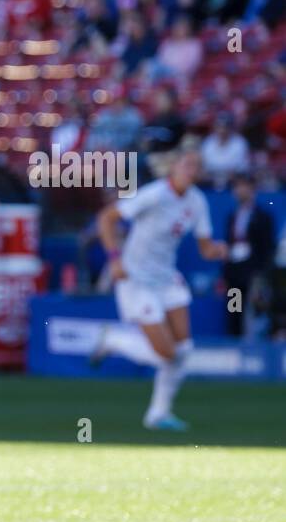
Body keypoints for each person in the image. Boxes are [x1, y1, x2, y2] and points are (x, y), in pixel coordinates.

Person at [92, 144, 228, 429]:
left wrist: (218, 250)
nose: (191, 171)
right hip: (136, 278)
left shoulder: (197, 202)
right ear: (175, 167)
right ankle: (113, 340)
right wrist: (115, 259)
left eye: (196, 167)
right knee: (166, 353)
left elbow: (204, 248)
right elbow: (107, 218)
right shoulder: (154, 195)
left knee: (184, 349)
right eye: (187, 165)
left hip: (166, 278)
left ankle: (158, 414)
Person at [221, 175, 276, 338]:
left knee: (254, 313)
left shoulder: (263, 217)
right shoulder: (232, 216)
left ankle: (253, 352)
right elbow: (228, 244)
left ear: (252, 189)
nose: (240, 191)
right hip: (234, 275)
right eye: (237, 187)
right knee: (234, 311)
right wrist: (225, 273)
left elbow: (267, 248)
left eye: (244, 186)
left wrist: (262, 274)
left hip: (253, 275)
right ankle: (234, 346)